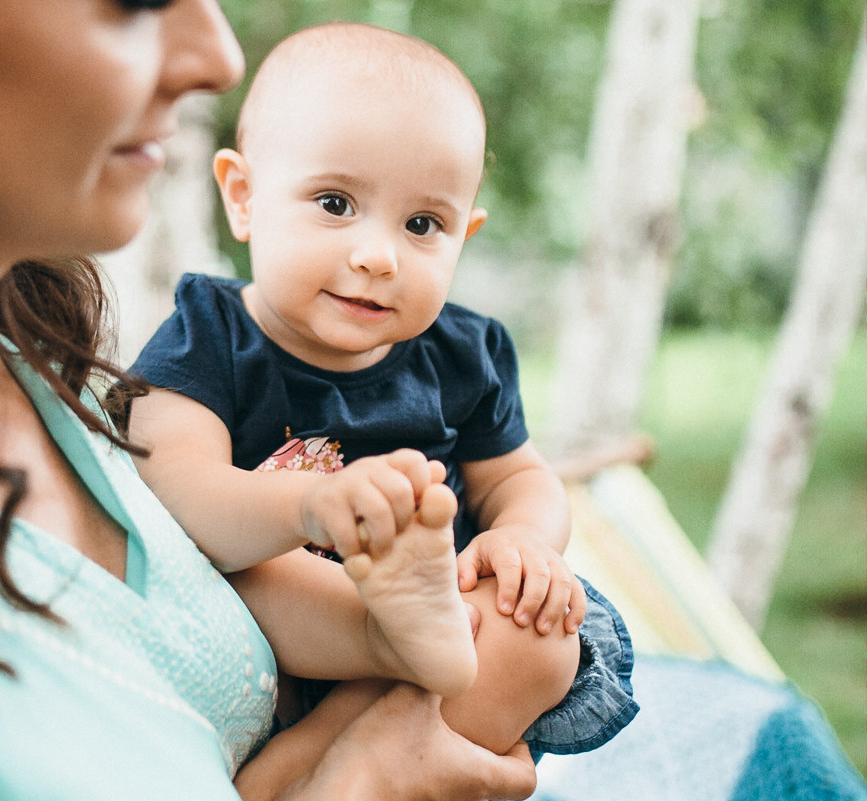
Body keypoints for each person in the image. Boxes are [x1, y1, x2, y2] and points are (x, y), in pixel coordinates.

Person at [0, 1, 547, 799]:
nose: (217, 55)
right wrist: (364, 782)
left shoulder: (36, 361)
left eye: (422, 224)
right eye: (134, 4)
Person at [126, 21, 638, 781]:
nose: (377, 255)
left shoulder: (464, 353)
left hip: (439, 644)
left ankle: (313, 772)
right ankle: (365, 668)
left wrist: (523, 538)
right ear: (243, 196)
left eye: (423, 225)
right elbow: (173, 486)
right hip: (285, 633)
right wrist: (311, 507)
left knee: (543, 633)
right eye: (335, 203)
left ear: (464, 235)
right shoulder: (211, 334)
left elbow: (520, 477)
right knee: (250, 561)